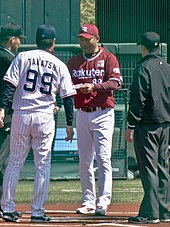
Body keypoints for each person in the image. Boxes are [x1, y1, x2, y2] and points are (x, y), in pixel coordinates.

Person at [0, 24, 76, 223]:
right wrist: (69, 123)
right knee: (43, 165)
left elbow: (9, 85)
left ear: (35, 40)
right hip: (44, 116)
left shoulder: (23, 57)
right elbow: (68, 97)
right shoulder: (59, 64)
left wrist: (1, 108)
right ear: (53, 42)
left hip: (22, 114)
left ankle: (7, 208)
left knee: (15, 163)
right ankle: (37, 212)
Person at [67, 23, 122, 216]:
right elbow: (65, 87)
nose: (83, 42)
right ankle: (88, 201)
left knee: (103, 158)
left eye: (87, 38)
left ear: (96, 38)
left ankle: (103, 202)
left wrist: (94, 87)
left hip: (103, 113)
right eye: (81, 38)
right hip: (82, 112)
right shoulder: (74, 62)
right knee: (84, 160)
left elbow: (116, 82)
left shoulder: (108, 58)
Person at [125, 31, 170, 224]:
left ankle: (151, 213)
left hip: (147, 125)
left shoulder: (143, 68)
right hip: (166, 124)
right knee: (162, 168)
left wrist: (131, 124)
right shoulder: (167, 67)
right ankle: (163, 210)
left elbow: (138, 99)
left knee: (149, 169)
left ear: (143, 47)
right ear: (158, 47)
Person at [0, 22, 26, 218]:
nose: (19, 43)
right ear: (12, 40)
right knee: (2, 161)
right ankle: (2, 206)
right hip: (4, 114)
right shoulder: (9, 59)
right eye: (18, 40)